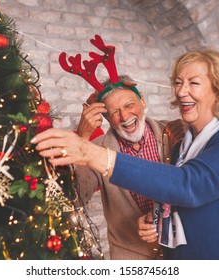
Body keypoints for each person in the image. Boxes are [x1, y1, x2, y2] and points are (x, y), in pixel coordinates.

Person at [31, 48, 219, 260]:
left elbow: (189, 185)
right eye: (178, 83)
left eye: (193, 83)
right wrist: (159, 218)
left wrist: (91, 153)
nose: (181, 92)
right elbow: (188, 200)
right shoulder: (183, 146)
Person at [73, 74, 185, 260]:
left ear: (142, 100)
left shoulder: (176, 132)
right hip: (131, 258)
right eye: (114, 112)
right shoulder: (97, 149)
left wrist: (166, 216)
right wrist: (82, 140)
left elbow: (196, 187)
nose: (124, 117)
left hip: (180, 252)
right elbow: (77, 197)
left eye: (129, 105)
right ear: (106, 117)